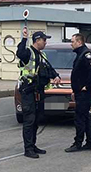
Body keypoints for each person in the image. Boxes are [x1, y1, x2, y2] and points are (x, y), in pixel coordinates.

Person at [16, 28, 61, 159]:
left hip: (38, 91)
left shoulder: (42, 55)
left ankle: (33, 145)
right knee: (29, 121)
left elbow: (48, 68)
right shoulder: (27, 53)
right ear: (37, 40)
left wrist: (56, 76)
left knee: (36, 120)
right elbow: (19, 53)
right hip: (28, 91)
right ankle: (28, 149)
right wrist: (24, 38)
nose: (46, 42)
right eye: (44, 40)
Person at [65, 33, 91, 153]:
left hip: (85, 93)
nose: (71, 44)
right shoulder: (80, 54)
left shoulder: (86, 54)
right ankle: (90, 142)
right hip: (80, 92)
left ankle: (78, 143)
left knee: (79, 118)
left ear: (79, 42)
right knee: (85, 118)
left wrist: (85, 87)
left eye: (72, 41)